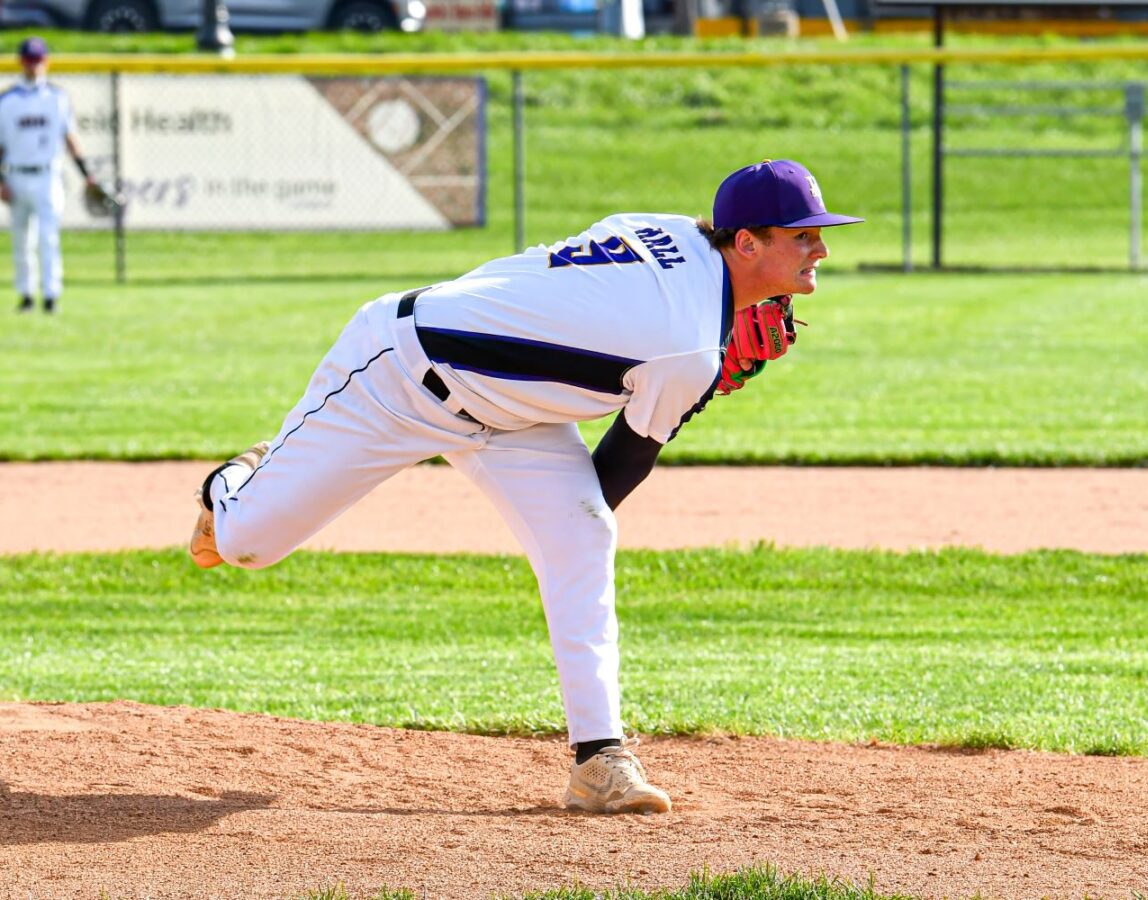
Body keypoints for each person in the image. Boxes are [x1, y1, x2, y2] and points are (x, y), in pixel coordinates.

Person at [188, 158, 863, 814]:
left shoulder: (672, 232)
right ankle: (237, 481)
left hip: (515, 411)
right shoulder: (688, 348)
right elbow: (616, 470)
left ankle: (601, 761)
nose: (821, 248)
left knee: (585, 533)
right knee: (246, 544)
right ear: (746, 243)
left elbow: (552, 285)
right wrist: (700, 384)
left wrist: (564, 525)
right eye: (803, 234)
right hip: (398, 375)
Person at [0, 36, 97, 315]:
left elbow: (70, 138)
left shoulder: (57, 97)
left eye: (38, 60)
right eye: (29, 60)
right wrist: (1, 182)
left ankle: (51, 295)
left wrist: (85, 173)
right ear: (21, 62)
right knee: (21, 240)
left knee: (48, 237)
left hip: (47, 175)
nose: (34, 66)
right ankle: (26, 295)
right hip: (16, 175)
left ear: (46, 62)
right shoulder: (7, 101)